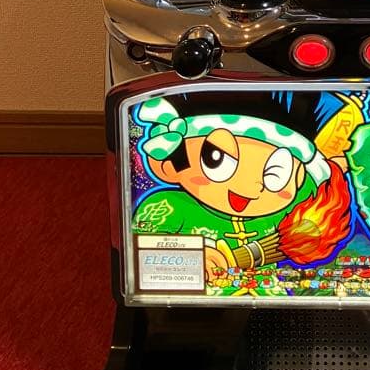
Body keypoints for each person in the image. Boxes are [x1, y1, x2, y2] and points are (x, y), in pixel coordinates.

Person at [133, 90, 353, 284]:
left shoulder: (290, 209)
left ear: (297, 177)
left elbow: (318, 224)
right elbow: (140, 258)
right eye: (216, 159)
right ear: (168, 166)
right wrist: (194, 259)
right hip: (191, 305)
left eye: (275, 172)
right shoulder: (168, 206)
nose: (250, 189)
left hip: (271, 299)